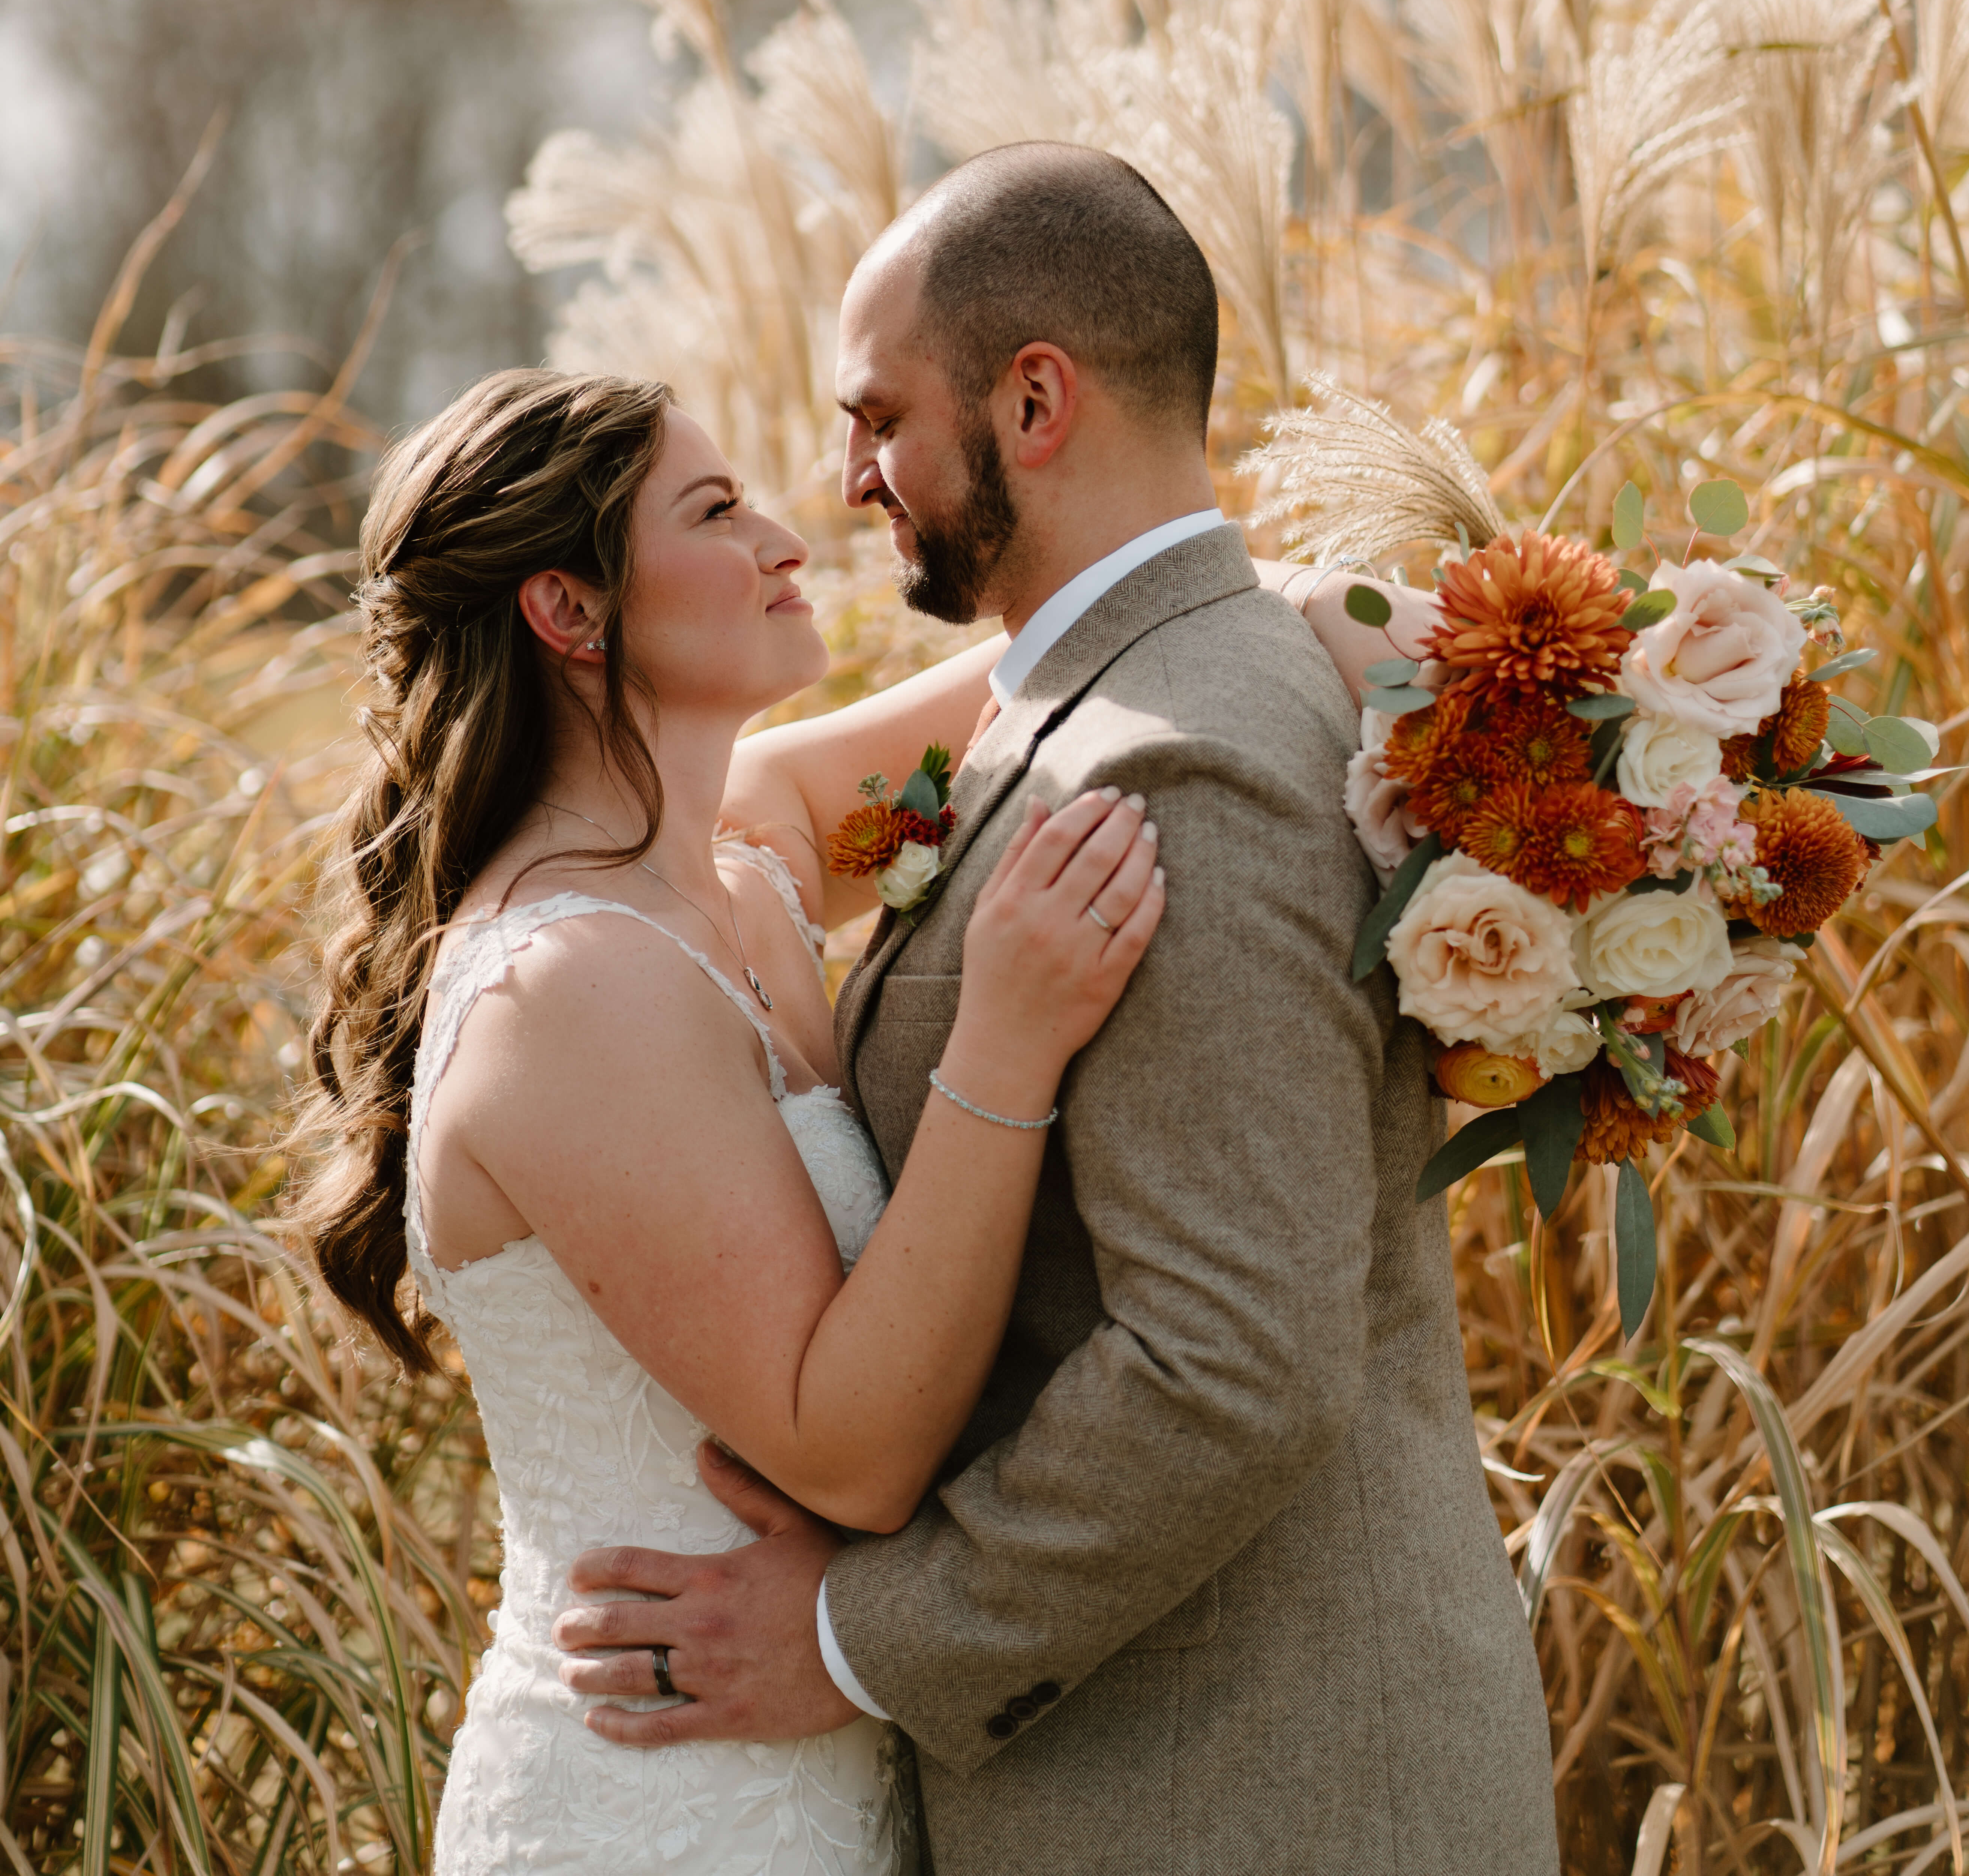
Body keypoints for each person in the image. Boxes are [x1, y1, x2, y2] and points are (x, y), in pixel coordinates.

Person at [552, 143, 1561, 1876]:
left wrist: (856, 1637)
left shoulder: (1175, 766)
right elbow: (763, 805)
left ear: (1034, 402)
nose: (852, 475)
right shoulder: (1095, 696)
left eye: (879, 418)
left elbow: (1229, 1363)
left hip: (1252, 1792)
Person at [295, 366, 1167, 1875]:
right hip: (656, 1806)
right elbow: (852, 1454)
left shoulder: (747, 851)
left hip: (822, 1772)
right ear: (567, 612)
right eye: (713, 511)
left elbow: (1079, 653)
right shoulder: (569, 990)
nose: (785, 536)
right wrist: (1007, 1041)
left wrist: (1376, 616)